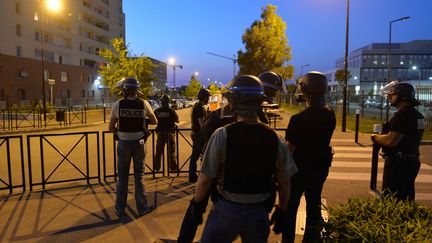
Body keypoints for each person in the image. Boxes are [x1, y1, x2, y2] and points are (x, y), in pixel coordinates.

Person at [190, 75, 297, 242]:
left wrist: (197, 205)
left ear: (233, 102)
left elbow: (205, 178)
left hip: (225, 211)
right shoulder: (275, 139)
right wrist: (282, 210)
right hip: (259, 213)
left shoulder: (222, 135)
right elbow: (285, 183)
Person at [284, 71, 336, 243]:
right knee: (314, 205)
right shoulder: (330, 114)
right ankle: (311, 239)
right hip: (320, 168)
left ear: (306, 90)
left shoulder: (297, 119)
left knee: (291, 208)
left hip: (298, 170)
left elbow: (290, 148)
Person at [108, 77, 158, 217]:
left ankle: (119, 209)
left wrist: (120, 132)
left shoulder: (118, 104)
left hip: (123, 144)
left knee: (122, 177)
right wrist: (142, 120)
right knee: (139, 177)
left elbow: (111, 127)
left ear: (124, 90)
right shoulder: (144, 104)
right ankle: (142, 208)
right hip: (139, 144)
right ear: (137, 90)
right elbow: (154, 121)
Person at [371, 81, 424, 201]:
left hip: (399, 164)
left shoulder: (402, 115)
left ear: (402, 96)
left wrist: (375, 137)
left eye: (393, 94)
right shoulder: (418, 115)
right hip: (412, 161)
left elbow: (391, 140)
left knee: (392, 198)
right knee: (407, 196)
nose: (389, 97)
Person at [189, 88, 211, 183]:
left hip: (195, 133)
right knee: (205, 155)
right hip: (199, 135)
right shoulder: (199, 108)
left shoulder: (196, 106)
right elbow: (201, 123)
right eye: (208, 97)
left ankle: (193, 176)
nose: (208, 99)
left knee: (195, 155)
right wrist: (206, 134)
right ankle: (201, 176)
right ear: (204, 98)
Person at [154, 94, 179, 171]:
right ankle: (173, 168)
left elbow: (154, 120)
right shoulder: (171, 111)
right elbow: (177, 120)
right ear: (168, 102)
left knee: (158, 152)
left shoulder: (157, 111)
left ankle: (156, 168)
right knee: (171, 151)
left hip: (160, 133)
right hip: (170, 133)